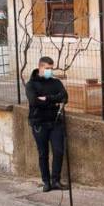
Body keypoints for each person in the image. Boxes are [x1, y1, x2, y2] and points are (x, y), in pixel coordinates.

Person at [25, 56, 69, 193]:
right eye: (47, 68)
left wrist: (47, 98)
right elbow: (33, 101)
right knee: (43, 153)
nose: (50, 71)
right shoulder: (31, 85)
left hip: (55, 122)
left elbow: (65, 97)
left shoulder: (55, 82)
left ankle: (56, 180)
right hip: (39, 123)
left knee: (58, 151)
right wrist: (54, 101)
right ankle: (46, 182)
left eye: (51, 68)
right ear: (40, 68)